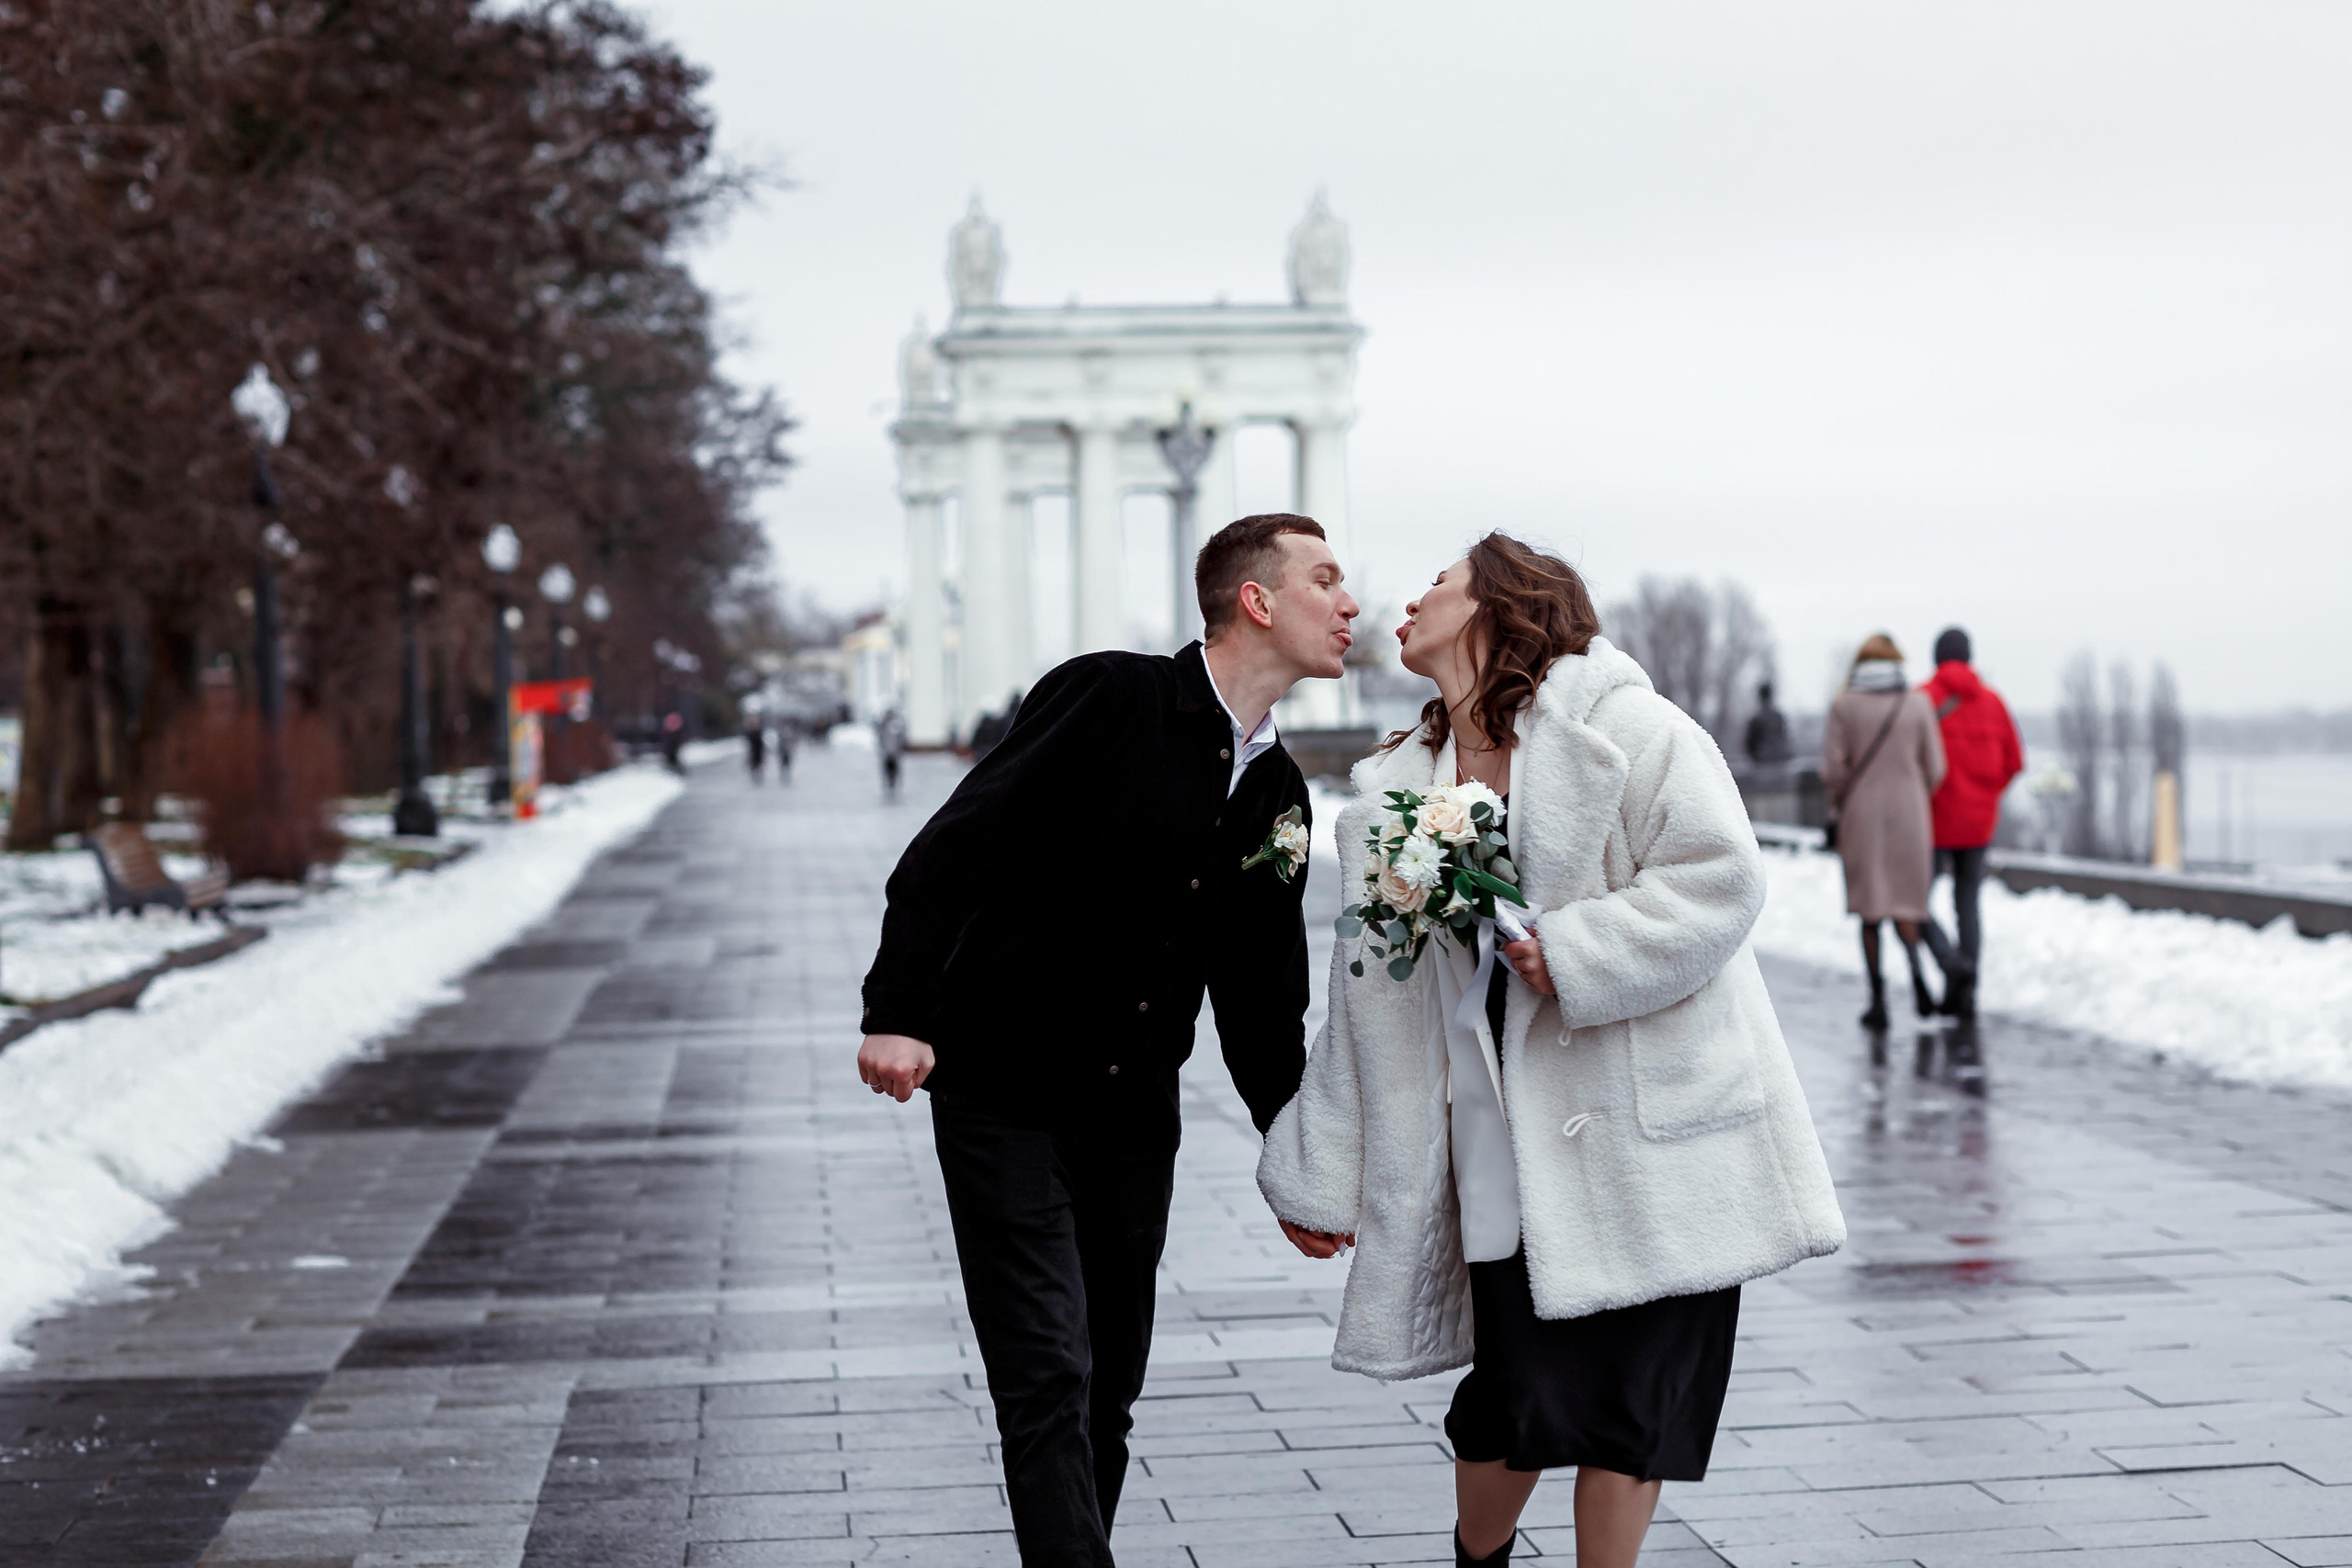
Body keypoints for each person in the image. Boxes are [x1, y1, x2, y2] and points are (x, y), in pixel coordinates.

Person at [1258, 534, 1844, 1568]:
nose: (1406, 603)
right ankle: (1476, 1556)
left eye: (1436, 585)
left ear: (1498, 605)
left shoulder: (1628, 727)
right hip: (1503, 1145)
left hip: (1661, 1134)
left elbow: (1720, 879)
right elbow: (1370, 1009)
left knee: (1636, 1410)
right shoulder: (1399, 789)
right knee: (1508, 1404)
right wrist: (1318, 1174)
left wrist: (1572, 951)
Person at [857, 513, 1360, 1567]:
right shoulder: (1111, 696)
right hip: (1005, 1093)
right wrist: (898, 1010)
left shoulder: (1278, 792)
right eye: (1326, 580)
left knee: (1107, 1396)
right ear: (1256, 601)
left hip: (1135, 1124)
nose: (1350, 603)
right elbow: (955, 847)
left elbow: (1262, 1004)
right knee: (1046, 1372)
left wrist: (1298, 1159)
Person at [1823, 635, 1946, 1029]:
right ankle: (1920, 983)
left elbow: (1833, 770)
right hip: (1911, 814)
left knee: (1871, 910)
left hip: (1862, 816)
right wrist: (1912, 790)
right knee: (1907, 904)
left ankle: (1878, 1003)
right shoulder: (1918, 704)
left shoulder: (1844, 707)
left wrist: (1846, 799)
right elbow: (1937, 767)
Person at [1918, 626, 2022, 1021]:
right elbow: (2014, 762)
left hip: (1934, 823)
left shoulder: (1924, 701)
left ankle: (1950, 964)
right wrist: (1986, 795)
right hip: (1979, 825)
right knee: (1968, 905)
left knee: (1915, 902)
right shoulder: (1994, 702)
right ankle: (1967, 993)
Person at [1743, 679, 1792, 768]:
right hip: (1781, 762)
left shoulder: (1756, 718)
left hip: (1762, 763)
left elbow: (1750, 745)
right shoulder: (1778, 717)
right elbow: (1785, 739)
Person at [877, 708, 907, 798]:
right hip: (889, 753)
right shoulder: (885, 725)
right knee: (889, 770)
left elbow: (900, 739)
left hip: (892, 753)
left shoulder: (892, 726)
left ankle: (892, 784)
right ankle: (890, 785)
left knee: (893, 770)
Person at [743, 711, 767, 779]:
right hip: (753, 750)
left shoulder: (760, 730)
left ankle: (758, 772)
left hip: (758, 749)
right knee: (753, 761)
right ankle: (754, 772)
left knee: (759, 761)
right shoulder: (749, 731)